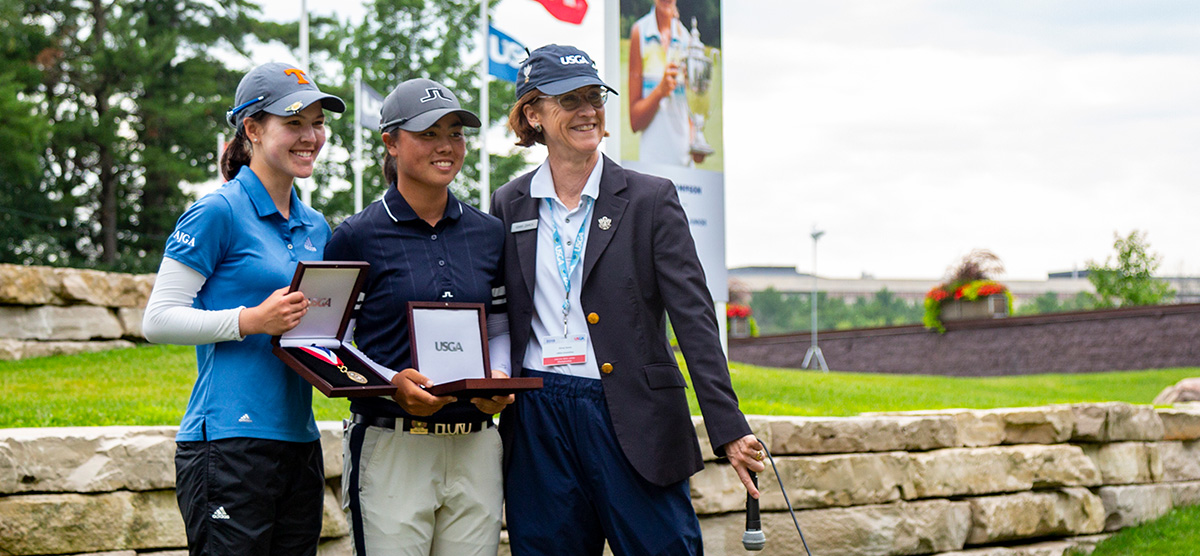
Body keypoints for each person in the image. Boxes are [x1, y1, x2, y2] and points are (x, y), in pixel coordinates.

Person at [493, 44, 764, 555]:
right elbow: (499, 312)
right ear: (533, 114)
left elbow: (695, 320)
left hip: (632, 416)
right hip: (537, 417)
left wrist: (728, 428)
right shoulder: (509, 203)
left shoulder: (650, 198)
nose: (588, 111)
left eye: (594, 97)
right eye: (569, 100)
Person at [142, 62, 345, 555]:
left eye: (317, 123)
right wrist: (251, 320)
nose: (311, 136)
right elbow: (157, 320)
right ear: (252, 130)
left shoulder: (317, 226)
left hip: (300, 442)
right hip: (228, 445)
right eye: (293, 123)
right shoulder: (217, 212)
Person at [324, 78, 513, 556]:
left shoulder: (490, 233)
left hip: (476, 444)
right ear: (390, 141)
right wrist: (390, 382)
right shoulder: (354, 236)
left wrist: (499, 376)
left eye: (455, 132)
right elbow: (328, 343)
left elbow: (499, 322)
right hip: (392, 445)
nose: (446, 146)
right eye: (428, 133)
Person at [628, 0, 705, 166]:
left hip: (684, 163)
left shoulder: (686, 39)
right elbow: (635, 122)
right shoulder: (640, 32)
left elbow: (691, 108)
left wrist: (696, 141)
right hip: (652, 163)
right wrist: (660, 91)